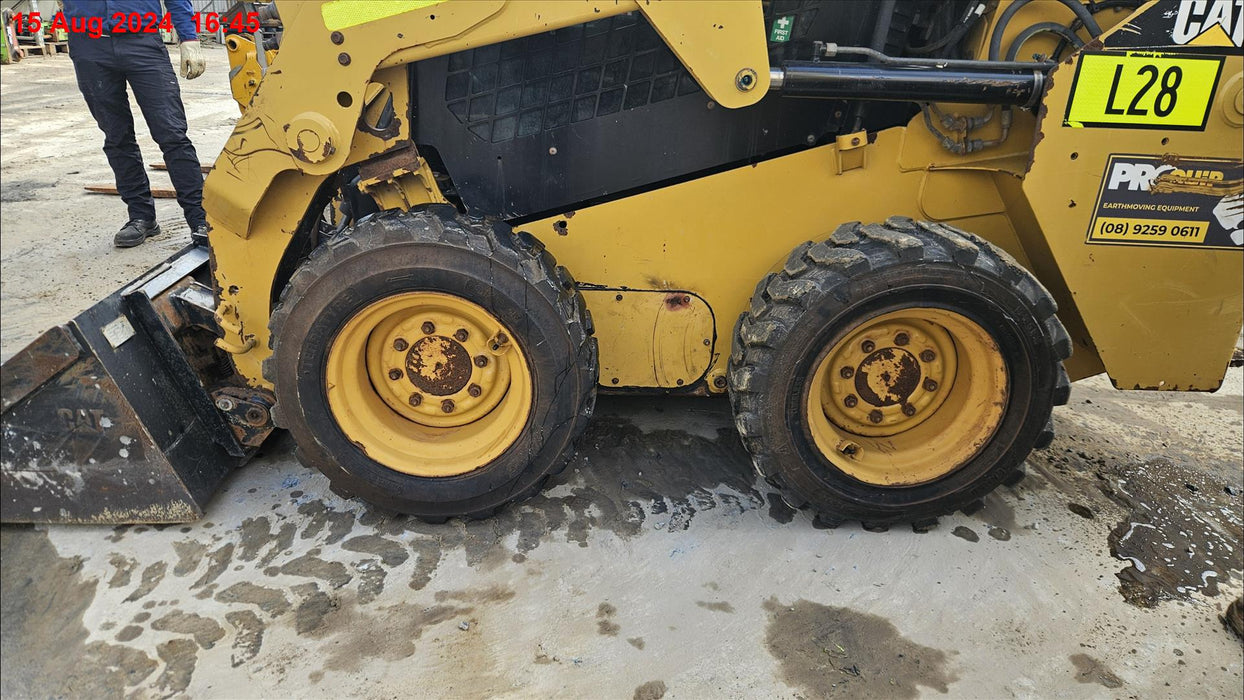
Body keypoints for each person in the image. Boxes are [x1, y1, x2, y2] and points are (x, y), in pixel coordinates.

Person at [64, 1, 208, 248]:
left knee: (171, 133)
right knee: (116, 136)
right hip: (89, 45)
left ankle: (201, 219)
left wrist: (188, 37)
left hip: (142, 42)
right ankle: (141, 216)